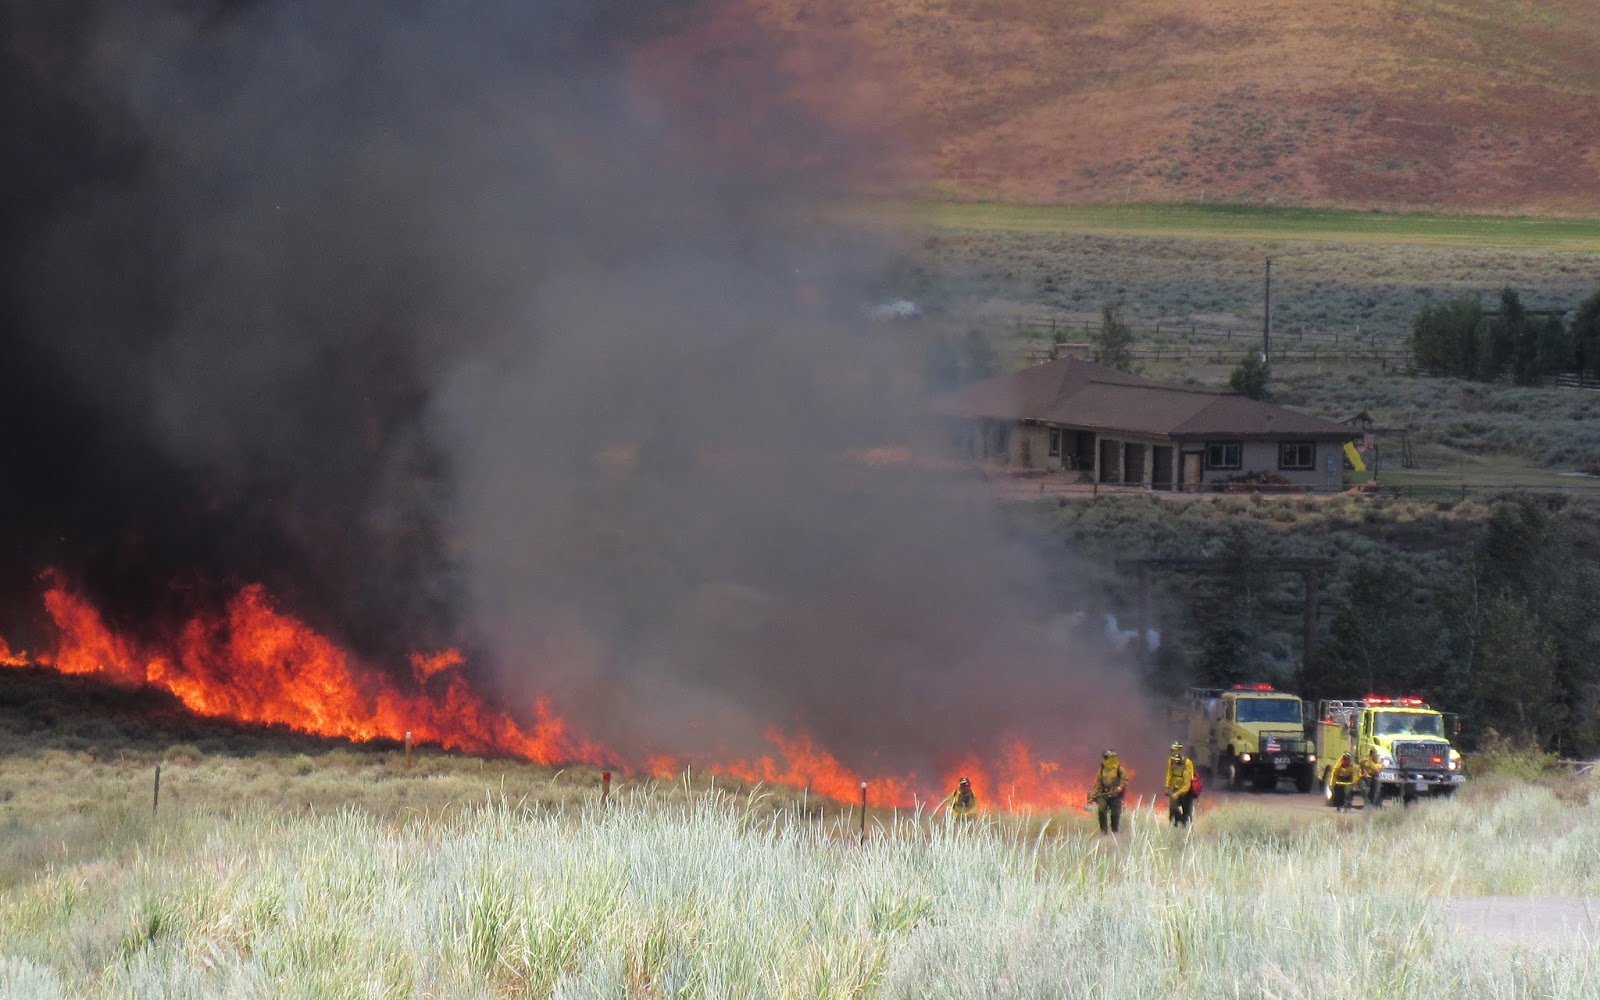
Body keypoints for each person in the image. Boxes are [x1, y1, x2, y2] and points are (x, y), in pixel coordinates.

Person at [1088, 749, 1130, 835]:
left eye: (1108, 757)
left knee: (1115, 813)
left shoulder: (1119, 769)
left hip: (1116, 795)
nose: (1106, 759)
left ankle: (1114, 831)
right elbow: (1099, 783)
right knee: (1102, 809)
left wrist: (1120, 787)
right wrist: (1093, 794)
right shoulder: (1102, 770)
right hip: (1104, 794)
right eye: (1105, 758)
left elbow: (1125, 780)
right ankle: (1103, 831)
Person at [1164, 742, 1196, 826]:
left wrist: (1178, 794)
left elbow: (1188, 784)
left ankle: (1187, 828)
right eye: (1172, 750)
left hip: (1187, 791)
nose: (1173, 752)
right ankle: (1176, 825)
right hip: (1175, 788)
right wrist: (1167, 787)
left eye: (1175, 750)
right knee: (1173, 809)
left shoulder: (1187, 763)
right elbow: (1169, 774)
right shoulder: (1171, 760)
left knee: (1187, 813)